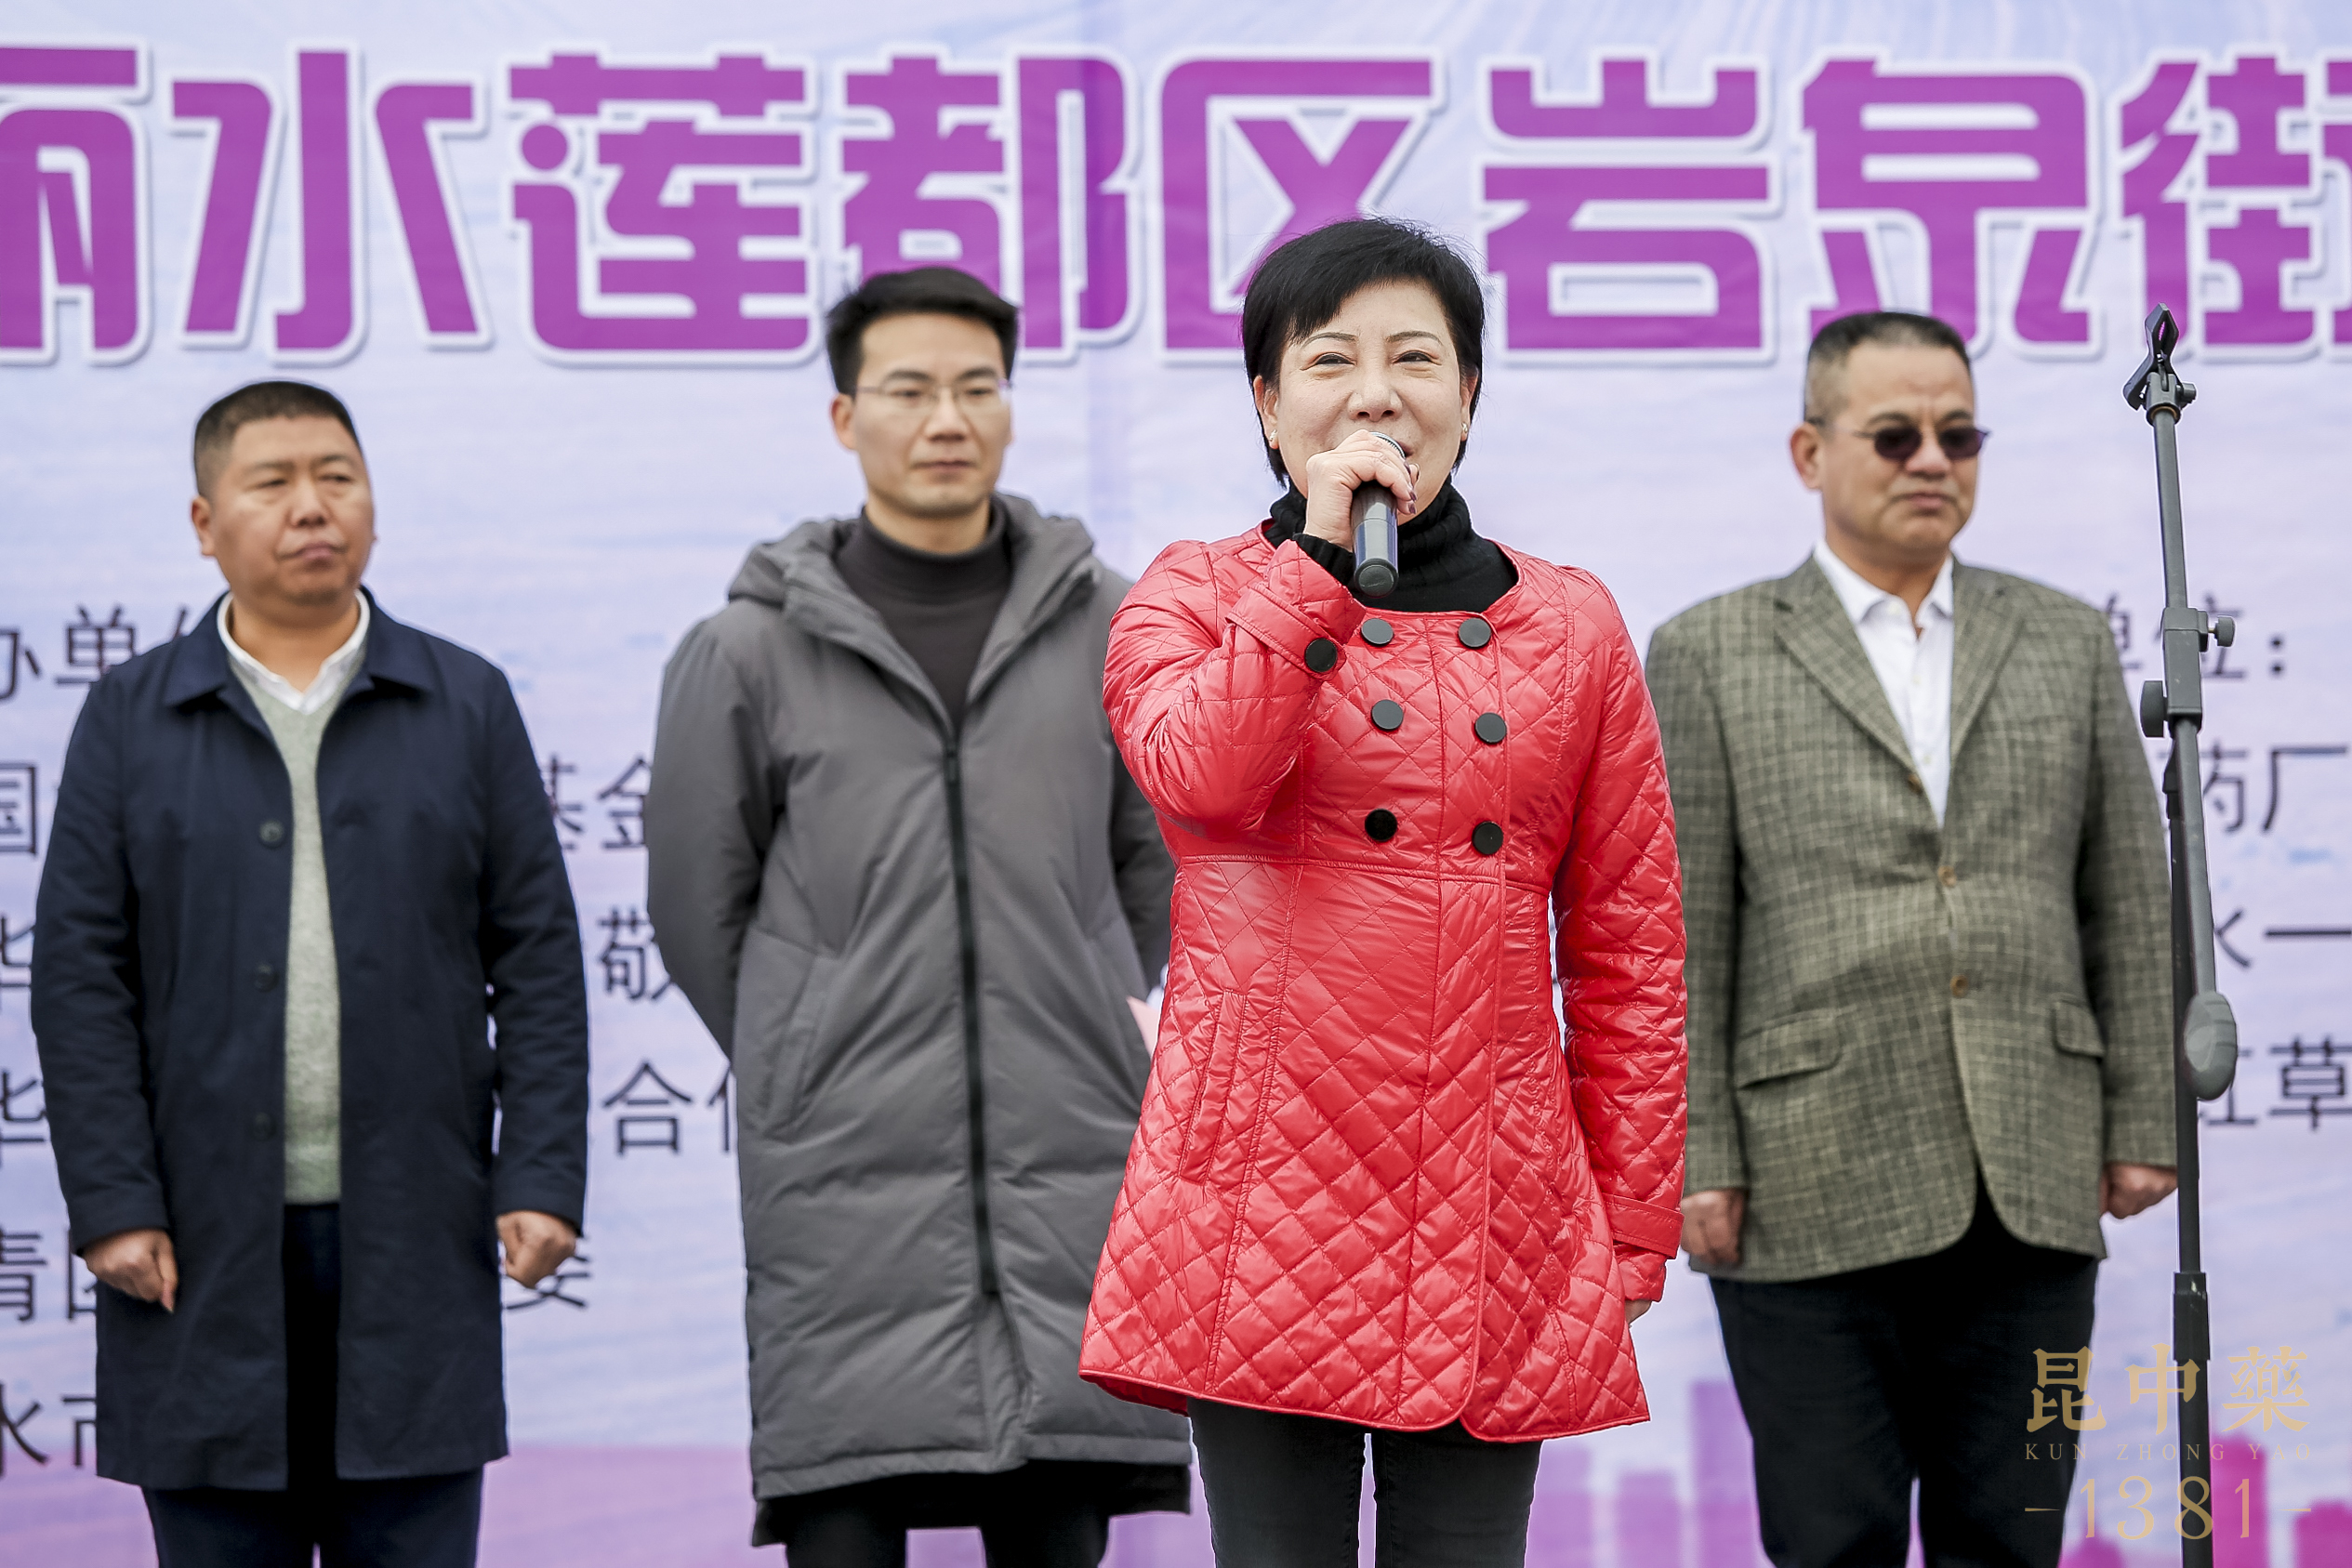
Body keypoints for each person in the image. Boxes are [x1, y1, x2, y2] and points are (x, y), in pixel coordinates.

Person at [1079, 217, 1687, 1568]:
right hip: (1258, 1195)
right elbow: (1201, 779)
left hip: (1496, 1192)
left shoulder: (1571, 624)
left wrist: (1633, 1220)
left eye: (1414, 357)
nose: (1375, 393)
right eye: (1329, 360)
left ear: (1467, 393)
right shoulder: (1193, 593)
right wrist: (1309, 570)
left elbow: (1627, 945)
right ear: (1266, 403)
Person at [643, 266, 1190, 1568]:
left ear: (1008, 407)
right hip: (841, 1184)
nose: (946, 419)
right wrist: (810, 1033)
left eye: (976, 387)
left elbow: (1153, 869)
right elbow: (698, 906)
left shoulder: (1112, 626)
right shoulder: (746, 650)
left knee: (1056, 1529)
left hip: (1071, 1155)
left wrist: (1067, 997)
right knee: (845, 1526)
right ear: (846, 418)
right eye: (907, 390)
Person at [1646, 310, 2177, 1568]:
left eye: (1958, 435)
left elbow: (2126, 895)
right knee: (1832, 1539)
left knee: (2013, 1536)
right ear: (1809, 452)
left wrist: (2143, 1115)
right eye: (1894, 435)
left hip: (2031, 1167)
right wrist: (1695, 1152)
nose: (1931, 460)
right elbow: (1679, 927)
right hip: (1800, 1177)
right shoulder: (1708, 650)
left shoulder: (2061, 638)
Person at [33, 380, 588, 1568]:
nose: (311, 506)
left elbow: (537, 956)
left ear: (372, 506)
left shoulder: (463, 701)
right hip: (195, 1242)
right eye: (272, 482)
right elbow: (80, 974)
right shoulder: (132, 713)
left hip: (415, 1230)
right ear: (205, 523)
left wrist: (540, 1174)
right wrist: (114, 1201)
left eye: (337, 477)